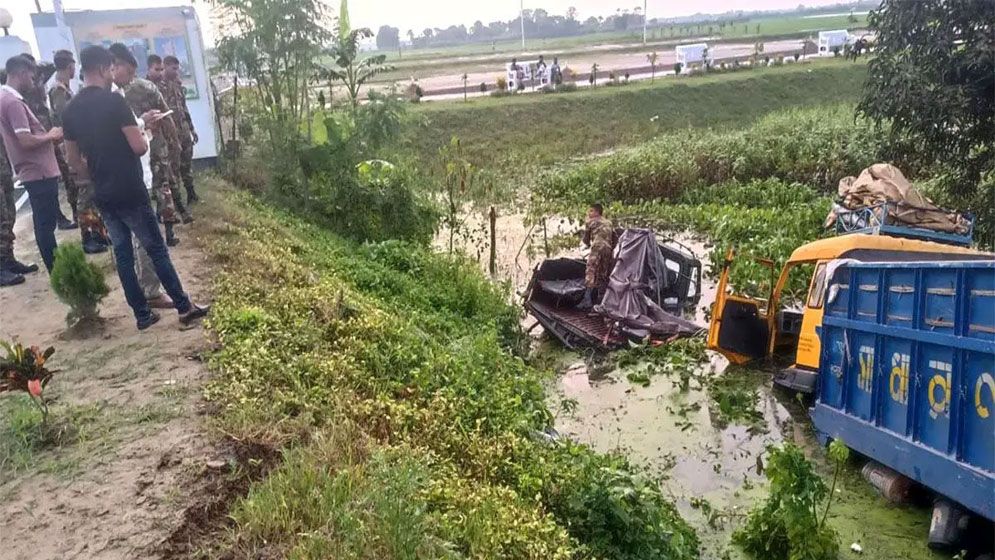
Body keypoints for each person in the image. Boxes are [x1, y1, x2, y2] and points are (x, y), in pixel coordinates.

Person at [62, 45, 209, 330]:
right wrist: (147, 131)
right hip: (130, 187)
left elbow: (72, 161)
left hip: (102, 192)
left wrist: (95, 174)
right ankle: (184, 306)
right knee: (156, 248)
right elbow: (139, 147)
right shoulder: (115, 103)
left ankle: (142, 315)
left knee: (123, 253)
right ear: (105, 68)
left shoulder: (70, 110)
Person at [108, 43, 189, 245]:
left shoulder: (112, 94)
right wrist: (175, 141)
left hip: (130, 148)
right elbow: (166, 115)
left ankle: (144, 232)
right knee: (162, 186)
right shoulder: (146, 88)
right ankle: (169, 233)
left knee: (142, 188)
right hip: (155, 144)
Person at [0, 55, 64, 273]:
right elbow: (25, 140)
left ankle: (55, 267)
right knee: (45, 224)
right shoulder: (13, 102)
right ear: (20, 73)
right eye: (31, 75)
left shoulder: (6, 98)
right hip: (38, 171)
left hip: (35, 170)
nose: (33, 80)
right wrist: (51, 135)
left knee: (44, 222)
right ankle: (56, 270)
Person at [49, 49, 108, 254]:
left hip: (80, 146)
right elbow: (66, 118)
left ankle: (98, 232)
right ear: (70, 66)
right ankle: (88, 237)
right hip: (72, 148)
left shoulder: (65, 89)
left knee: (91, 191)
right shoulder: (59, 91)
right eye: (73, 65)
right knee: (84, 192)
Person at [20, 54, 77, 231]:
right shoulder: (28, 90)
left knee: (63, 176)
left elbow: (49, 66)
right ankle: (62, 217)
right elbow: (63, 115)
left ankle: (67, 214)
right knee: (59, 178)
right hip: (43, 137)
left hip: (49, 133)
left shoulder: (40, 79)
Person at [161, 55, 199, 203]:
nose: (177, 71)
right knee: (173, 166)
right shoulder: (159, 87)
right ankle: (176, 200)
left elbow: (184, 108)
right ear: (165, 66)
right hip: (170, 132)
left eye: (178, 68)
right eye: (173, 68)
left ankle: (191, 193)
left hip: (183, 129)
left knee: (186, 162)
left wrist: (192, 129)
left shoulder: (177, 85)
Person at [579, 203, 615, 310]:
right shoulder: (609, 222)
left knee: (591, 270)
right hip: (608, 249)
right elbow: (614, 238)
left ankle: (587, 300)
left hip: (597, 248)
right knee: (603, 273)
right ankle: (601, 300)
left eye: (591, 211)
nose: (589, 213)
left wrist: (588, 244)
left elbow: (586, 239)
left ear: (596, 212)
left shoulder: (590, 222)